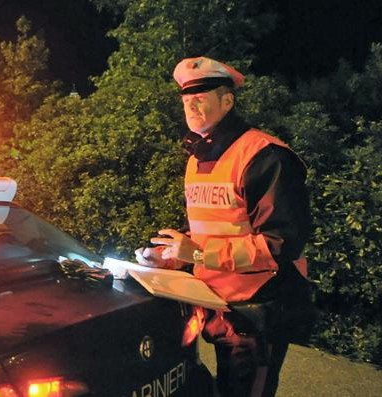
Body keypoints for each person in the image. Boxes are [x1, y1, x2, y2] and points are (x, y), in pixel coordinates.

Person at [134, 56, 314, 397]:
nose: (191, 107)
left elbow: (281, 244)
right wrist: (173, 256)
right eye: (186, 100)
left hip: (257, 312)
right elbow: (215, 230)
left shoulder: (264, 155)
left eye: (200, 98)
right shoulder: (197, 158)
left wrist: (199, 252)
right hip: (220, 310)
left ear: (227, 101)